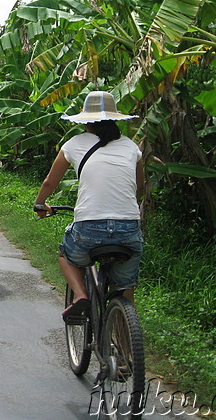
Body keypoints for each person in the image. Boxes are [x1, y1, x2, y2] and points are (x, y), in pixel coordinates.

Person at [33, 91, 145, 322]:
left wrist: (40, 203)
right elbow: (139, 187)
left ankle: (80, 295)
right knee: (125, 290)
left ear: (85, 119)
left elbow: (49, 182)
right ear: (114, 118)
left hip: (90, 228)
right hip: (129, 229)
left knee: (65, 253)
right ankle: (126, 351)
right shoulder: (131, 146)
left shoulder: (74, 144)